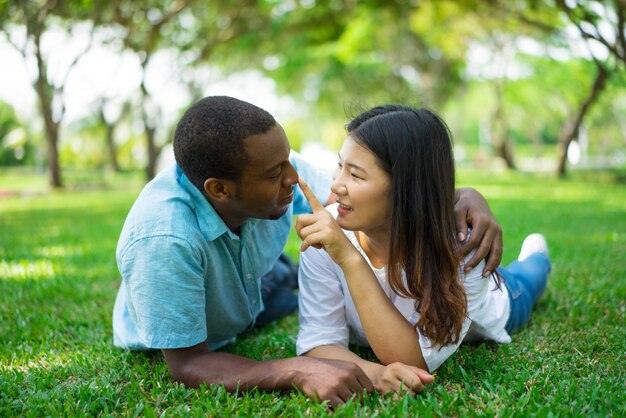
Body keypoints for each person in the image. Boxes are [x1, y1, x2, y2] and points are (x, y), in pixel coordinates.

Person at [112, 96, 504, 406]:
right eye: (275, 174)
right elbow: (188, 364)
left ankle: (279, 278)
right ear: (220, 190)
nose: (294, 179)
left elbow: (391, 187)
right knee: (289, 283)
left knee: (283, 282)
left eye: (289, 161)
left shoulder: (274, 169)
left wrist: (464, 195)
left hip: (254, 293)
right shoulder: (163, 241)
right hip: (207, 315)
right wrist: (298, 369)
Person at [296, 104, 551, 397]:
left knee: (531, 276)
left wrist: (351, 260)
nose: (336, 185)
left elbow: (412, 359)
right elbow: (319, 343)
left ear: (405, 188)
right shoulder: (326, 236)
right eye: (341, 166)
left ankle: (536, 254)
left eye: (356, 175)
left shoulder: (463, 249)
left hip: (495, 304)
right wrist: (376, 374)